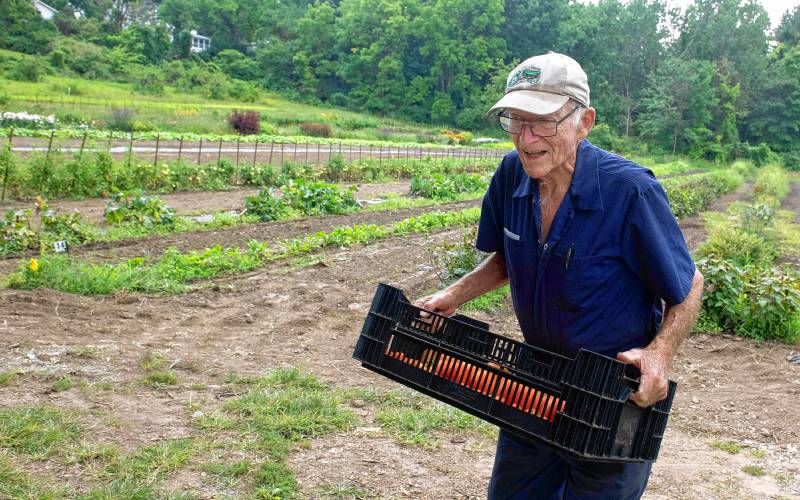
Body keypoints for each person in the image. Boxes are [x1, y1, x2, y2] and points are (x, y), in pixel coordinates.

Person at [415, 52, 704, 499]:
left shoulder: (630, 192)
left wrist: (659, 354)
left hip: (612, 396)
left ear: (583, 121)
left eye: (542, 121)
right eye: (515, 120)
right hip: (534, 382)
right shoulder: (512, 174)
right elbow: (509, 257)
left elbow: (688, 287)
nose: (525, 138)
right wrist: (454, 295)